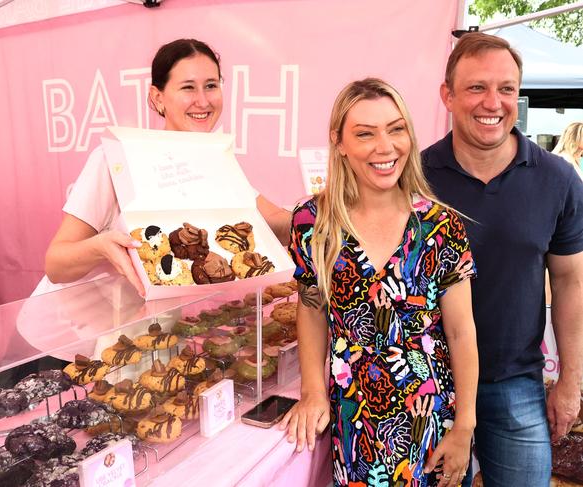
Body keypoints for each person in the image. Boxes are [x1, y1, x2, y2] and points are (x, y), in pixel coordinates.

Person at [281, 78, 479, 486]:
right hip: (355, 421)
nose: (384, 146)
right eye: (364, 133)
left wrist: (464, 427)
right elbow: (312, 309)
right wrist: (313, 391)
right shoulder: (311, 222)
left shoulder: (440, 225)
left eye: (395, 128)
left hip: (432, 419)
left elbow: (461, 332)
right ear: (339, 142)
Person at [421, 32, 583, 487]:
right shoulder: (414, 178)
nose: (493, 102)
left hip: (515, 385)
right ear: (447, 96)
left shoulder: (557, 178)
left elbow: (571, 282)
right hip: (425, 385)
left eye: (506, 88)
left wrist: (571, 382)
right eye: (476, 87)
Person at [41, 39, 291, 297]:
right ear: (157, 97)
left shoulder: (218, 160)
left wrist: (323, 209)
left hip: (151, 326)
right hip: (82, 325)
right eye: (188, 88)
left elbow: (274, 222)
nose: (203, 101)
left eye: (211, 86)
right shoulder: (117, 158)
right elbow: (55, 265)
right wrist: (100, 247)